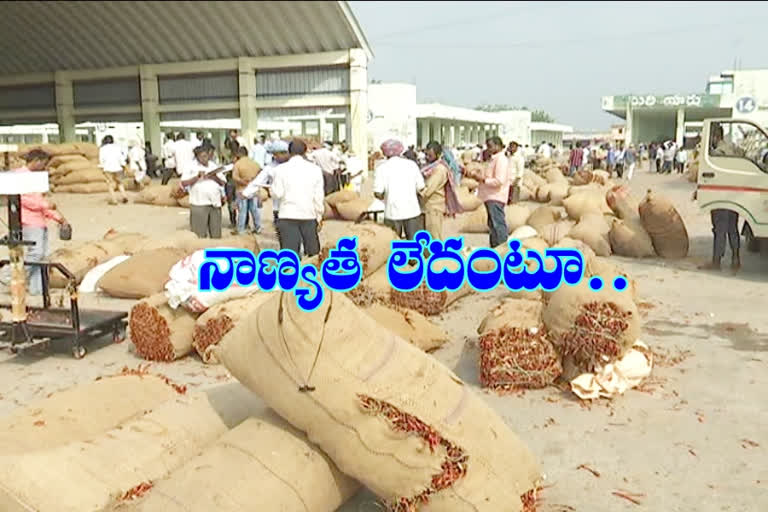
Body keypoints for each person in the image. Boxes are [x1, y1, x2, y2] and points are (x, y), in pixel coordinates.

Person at [10, 150, 70, 295]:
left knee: (43, 256)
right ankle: (8, 276)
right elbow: (23, 199)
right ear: (36, 160)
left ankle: (37, 289)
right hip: (28, 222)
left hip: (40, 221)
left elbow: (41, 200)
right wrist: (46, 206)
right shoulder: (19, 176)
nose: (45, 166)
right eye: (43, 163)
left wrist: (58, 217)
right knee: (35, 254)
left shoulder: (35, 178)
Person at [271, 139, 324, 257]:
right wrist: (319, 216)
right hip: (308, 215)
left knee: (289, 257)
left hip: (287, 215)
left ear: (289, 152)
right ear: (305, 152)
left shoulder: (279, 170)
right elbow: (318, 197)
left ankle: (290, 275)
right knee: (313, 255)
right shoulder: (315, 170)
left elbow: (277, 194)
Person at [374, 139, 425, 240]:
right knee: (414, 244)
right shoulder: (412, 165)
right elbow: (421, 187)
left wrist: (386, 196)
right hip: (412, 211)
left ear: (385, 153)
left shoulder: (382, 168)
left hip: (392, 212)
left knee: (392, 243)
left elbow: (378, 193)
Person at [243, 140, 291, 246]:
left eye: (276, 154)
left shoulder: (295, 166)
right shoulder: (270, 168)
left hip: (297, 208)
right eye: (273, 155)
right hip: (280, 209)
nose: (274, 157)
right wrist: (245, 194)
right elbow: (257, 182)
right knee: (284, 239)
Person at [469, 136, 509, 248]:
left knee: (498, 224)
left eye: (490, 146)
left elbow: (499, 180)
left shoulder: (501, 160)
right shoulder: (493, 159)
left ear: (498, 146)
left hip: (496, 196)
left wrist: (483, 180)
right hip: (490, 196)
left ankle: (502, 248)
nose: (488, 149)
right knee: (492, 225)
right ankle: (495, 248)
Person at [419, 141, 463, 240]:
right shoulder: (429, 168)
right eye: (426, 154)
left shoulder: (439, 169)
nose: (427, 157)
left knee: (434, 237)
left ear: (438, 155)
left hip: (434, 207)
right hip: (427, 207)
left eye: (430, 155)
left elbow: (428, 190)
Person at [181, 145, 226, 239]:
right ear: (197, 157)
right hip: (199, 203)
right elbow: (184, 183)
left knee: (216, 233)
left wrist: (214, 177)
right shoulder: (190, 166)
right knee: (199, 234)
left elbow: (222, 182)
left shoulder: (213, 165)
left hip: (214, 203)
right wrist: (197, 177)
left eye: (206, 156)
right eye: (202, 157)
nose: (205, 159)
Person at [232, 146, 262, 234]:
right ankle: (258, 227)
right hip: (254, 189)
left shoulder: (238, 164)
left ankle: (241, 229)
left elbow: (235, 177)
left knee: (242, 210)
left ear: (239, 154)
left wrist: (243, 181)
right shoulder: (255, 163)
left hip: (242, 190)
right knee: (254, 210)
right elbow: (261, 175)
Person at [98, 135, 129, 204]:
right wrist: (124, 166)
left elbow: (101, 160)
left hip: (108, 168)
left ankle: (114, 200)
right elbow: (121, 158)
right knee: (120, 183)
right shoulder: (117, 148)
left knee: (110, 184)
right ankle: (124, 196)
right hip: (118, 168)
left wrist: (101, 167)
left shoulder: (102, 149)